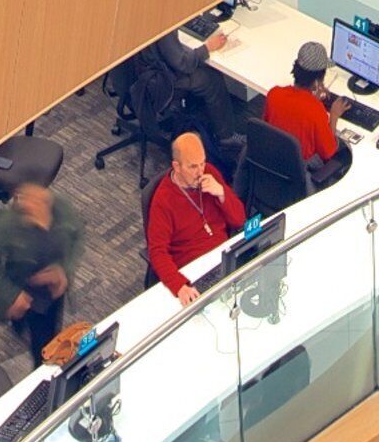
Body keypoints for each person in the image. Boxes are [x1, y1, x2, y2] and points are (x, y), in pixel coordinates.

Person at [0, 180, 80, 355]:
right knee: (35, 338)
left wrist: (63, 270)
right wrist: (12, 295)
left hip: (51, 293)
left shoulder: (61, 211)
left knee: (48, 343)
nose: (30, 207)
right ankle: (18, 324)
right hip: (24, 287)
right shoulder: (10, 225)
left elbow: (77, 238)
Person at [144, 130, 248, 296]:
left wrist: (222, 193)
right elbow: (157, 252)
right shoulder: (163, 200)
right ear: (176, 166)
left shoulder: (210, 173)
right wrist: (179, 286)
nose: (200, 171)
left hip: (225, 256)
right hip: (194, 270)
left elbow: (240, 220)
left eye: (202, 163)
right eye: (193, 166)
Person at [267, 40, 351, 190]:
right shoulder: (315, 110)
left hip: (271, 171)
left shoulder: (274, 94)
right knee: (345, 154)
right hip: (299, 177)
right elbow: (329, 152)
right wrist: (334, 116)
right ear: (318, 80)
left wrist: (312, 99)